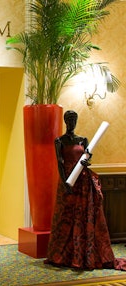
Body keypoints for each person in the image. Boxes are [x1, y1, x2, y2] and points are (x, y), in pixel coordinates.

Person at [45, 110, 126, 271]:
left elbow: (88, 158)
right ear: (65, 121)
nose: (72, 123)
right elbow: (60, 162)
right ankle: (61, 256)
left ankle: (83, 256)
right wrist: (65, 182)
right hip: (67, 181)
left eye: (74, 120)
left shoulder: (83, 140)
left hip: (82, 181)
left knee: (83, 215)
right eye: (69, 120)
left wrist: (86, 163)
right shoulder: (59, 140)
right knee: (65, 217)